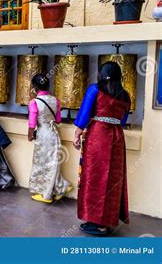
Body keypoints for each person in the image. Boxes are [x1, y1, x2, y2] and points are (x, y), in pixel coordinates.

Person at [73, 61, 131, 236]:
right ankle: (104, 221)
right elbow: (122, 120)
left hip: (98, 137)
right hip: (117, 138)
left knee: (94, 177)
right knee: (112, 180)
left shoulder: (95, 90)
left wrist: (77, 134)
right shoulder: (125, 95)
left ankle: (98, 223)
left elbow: (84, 114)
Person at [27, 74, 72, 204]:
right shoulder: (55, 100)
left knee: (43, 163)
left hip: (43, 135)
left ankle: (46, 194)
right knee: (53, 162)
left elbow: (32, 123)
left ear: (34, 88)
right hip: (54, 134)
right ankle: (60, 187)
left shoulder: (34, 102)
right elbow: (58, 120)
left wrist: (30, 135)